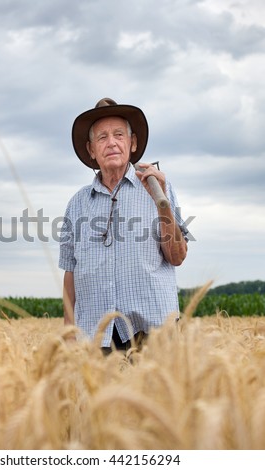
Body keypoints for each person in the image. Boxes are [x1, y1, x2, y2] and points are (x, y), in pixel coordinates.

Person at [59, 98, 188, 353]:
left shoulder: (158, 188)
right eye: (102, 137)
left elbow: (177, 256)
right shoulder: (77, 204)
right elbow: (70, 274)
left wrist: (161, 204)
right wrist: (68, 334)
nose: (112, 143)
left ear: (133, 143)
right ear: (91, 150)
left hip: (155, 335)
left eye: (119, 134)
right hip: (96, 340)